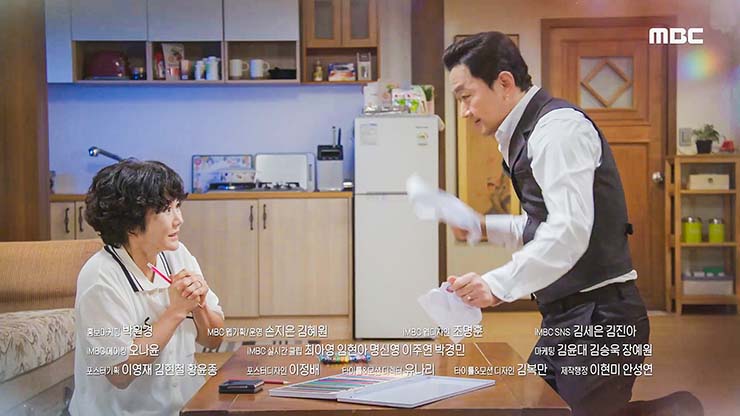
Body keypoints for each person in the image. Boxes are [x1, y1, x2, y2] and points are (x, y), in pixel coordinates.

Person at [441, 31, 701, 416]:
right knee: (534, 408)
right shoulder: (523, 135)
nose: (464, 111)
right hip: (565, 317)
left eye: (466, 96)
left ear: (504, 83)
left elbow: (569, 232)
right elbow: (543, 225)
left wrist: (495, 285)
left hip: (603, 319)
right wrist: (482, 227)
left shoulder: (557, 131)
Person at [69, 160, 225, 416]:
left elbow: (213, 339)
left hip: (187, 408)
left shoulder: (177, 255)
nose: (179, 220)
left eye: (178, 206)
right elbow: (120, 373)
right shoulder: (100, 277)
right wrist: (176, 312)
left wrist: (199, 307)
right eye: (166, 210)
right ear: (130, 221)